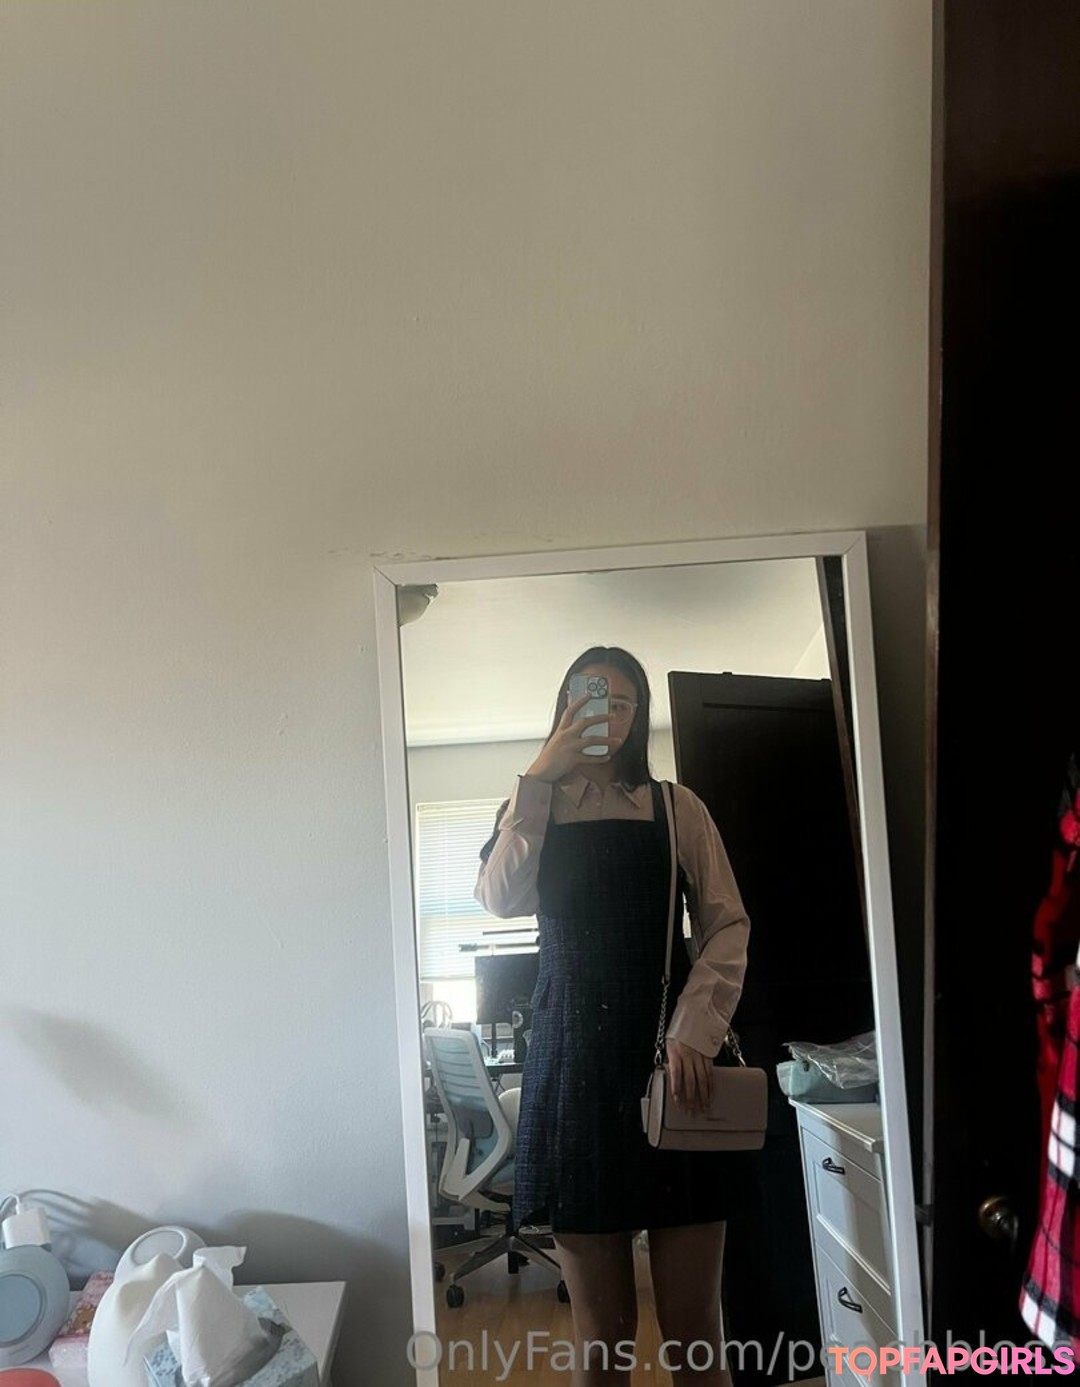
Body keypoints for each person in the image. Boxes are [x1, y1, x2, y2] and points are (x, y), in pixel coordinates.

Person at [475, 646, 753, 1386]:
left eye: (622, 702)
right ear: (564, 707)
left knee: (696, 1331)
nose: (606, 715)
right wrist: (537, 777)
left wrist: (694, 1028)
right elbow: (500, 899)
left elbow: (727, 924)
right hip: (573, 1077)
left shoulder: (677, 806)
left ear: (639, 715)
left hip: (677, 1072)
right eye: (589, 698)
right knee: (602, 1337)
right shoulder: (532, 807)